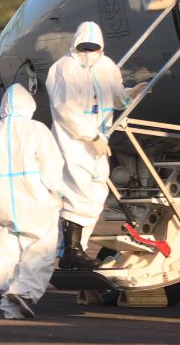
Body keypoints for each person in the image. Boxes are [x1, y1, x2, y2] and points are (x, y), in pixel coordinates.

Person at [45, 21, 145, 270]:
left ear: (101, 48)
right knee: (76, 194)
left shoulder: (107, 66)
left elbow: (116, 97)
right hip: (72, 142)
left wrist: (131, 94)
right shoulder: (63, 68)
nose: (88, 53)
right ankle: (70, 251)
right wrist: (90, 136)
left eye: (93, 48)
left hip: (99, 144)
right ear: (75, 46)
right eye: (84, 48)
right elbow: (64, 109)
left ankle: (77, 249)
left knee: (96, 196)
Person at [0, 83, 64, 319]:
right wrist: (57, 192)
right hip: (33, 197)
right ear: (30, 105)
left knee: (4, 248)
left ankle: (10, 304)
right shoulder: (37, 129)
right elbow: (51, 164)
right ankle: (24, 291)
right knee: (41, 246)